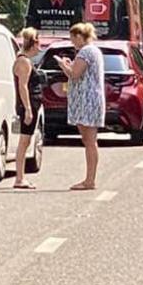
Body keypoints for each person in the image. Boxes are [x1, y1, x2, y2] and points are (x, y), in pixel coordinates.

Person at [57, 22, 104, 191]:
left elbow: (74, 74)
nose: (72, 42)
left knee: (90, 141)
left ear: (78, 36)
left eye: (72, 39)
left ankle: (90, 180)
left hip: (87, 100)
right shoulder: (93, 51)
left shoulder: (86, 51)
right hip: (90, 99)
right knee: (89, 140)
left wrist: (63, 65)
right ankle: (89, 178)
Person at [13, 28, 45, 189]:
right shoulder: (24, 61)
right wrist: (27, 109)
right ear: (33, 43)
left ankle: (21, 176)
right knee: (24, 141)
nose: (41, 45)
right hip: (29, 104)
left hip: (32, 104)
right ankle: (20, 178)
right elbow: (22, 86)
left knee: (26, 141)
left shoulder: (26, 60)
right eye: (39, 41)